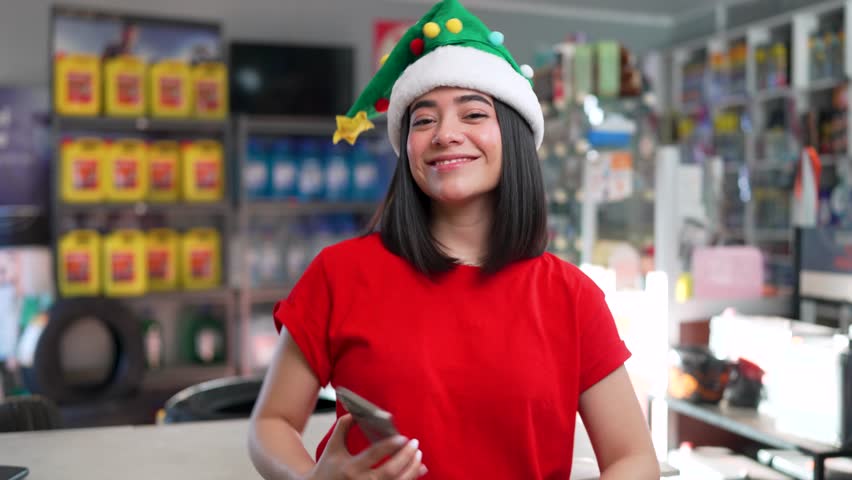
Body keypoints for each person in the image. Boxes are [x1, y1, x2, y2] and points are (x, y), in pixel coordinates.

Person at [248, 1, 659, 478]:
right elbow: (271, 423)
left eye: (473, 114)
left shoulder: (571, 296)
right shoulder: (339, 274)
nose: (445, 134)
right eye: (423, 120)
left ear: (513, 135)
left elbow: (633, 457)